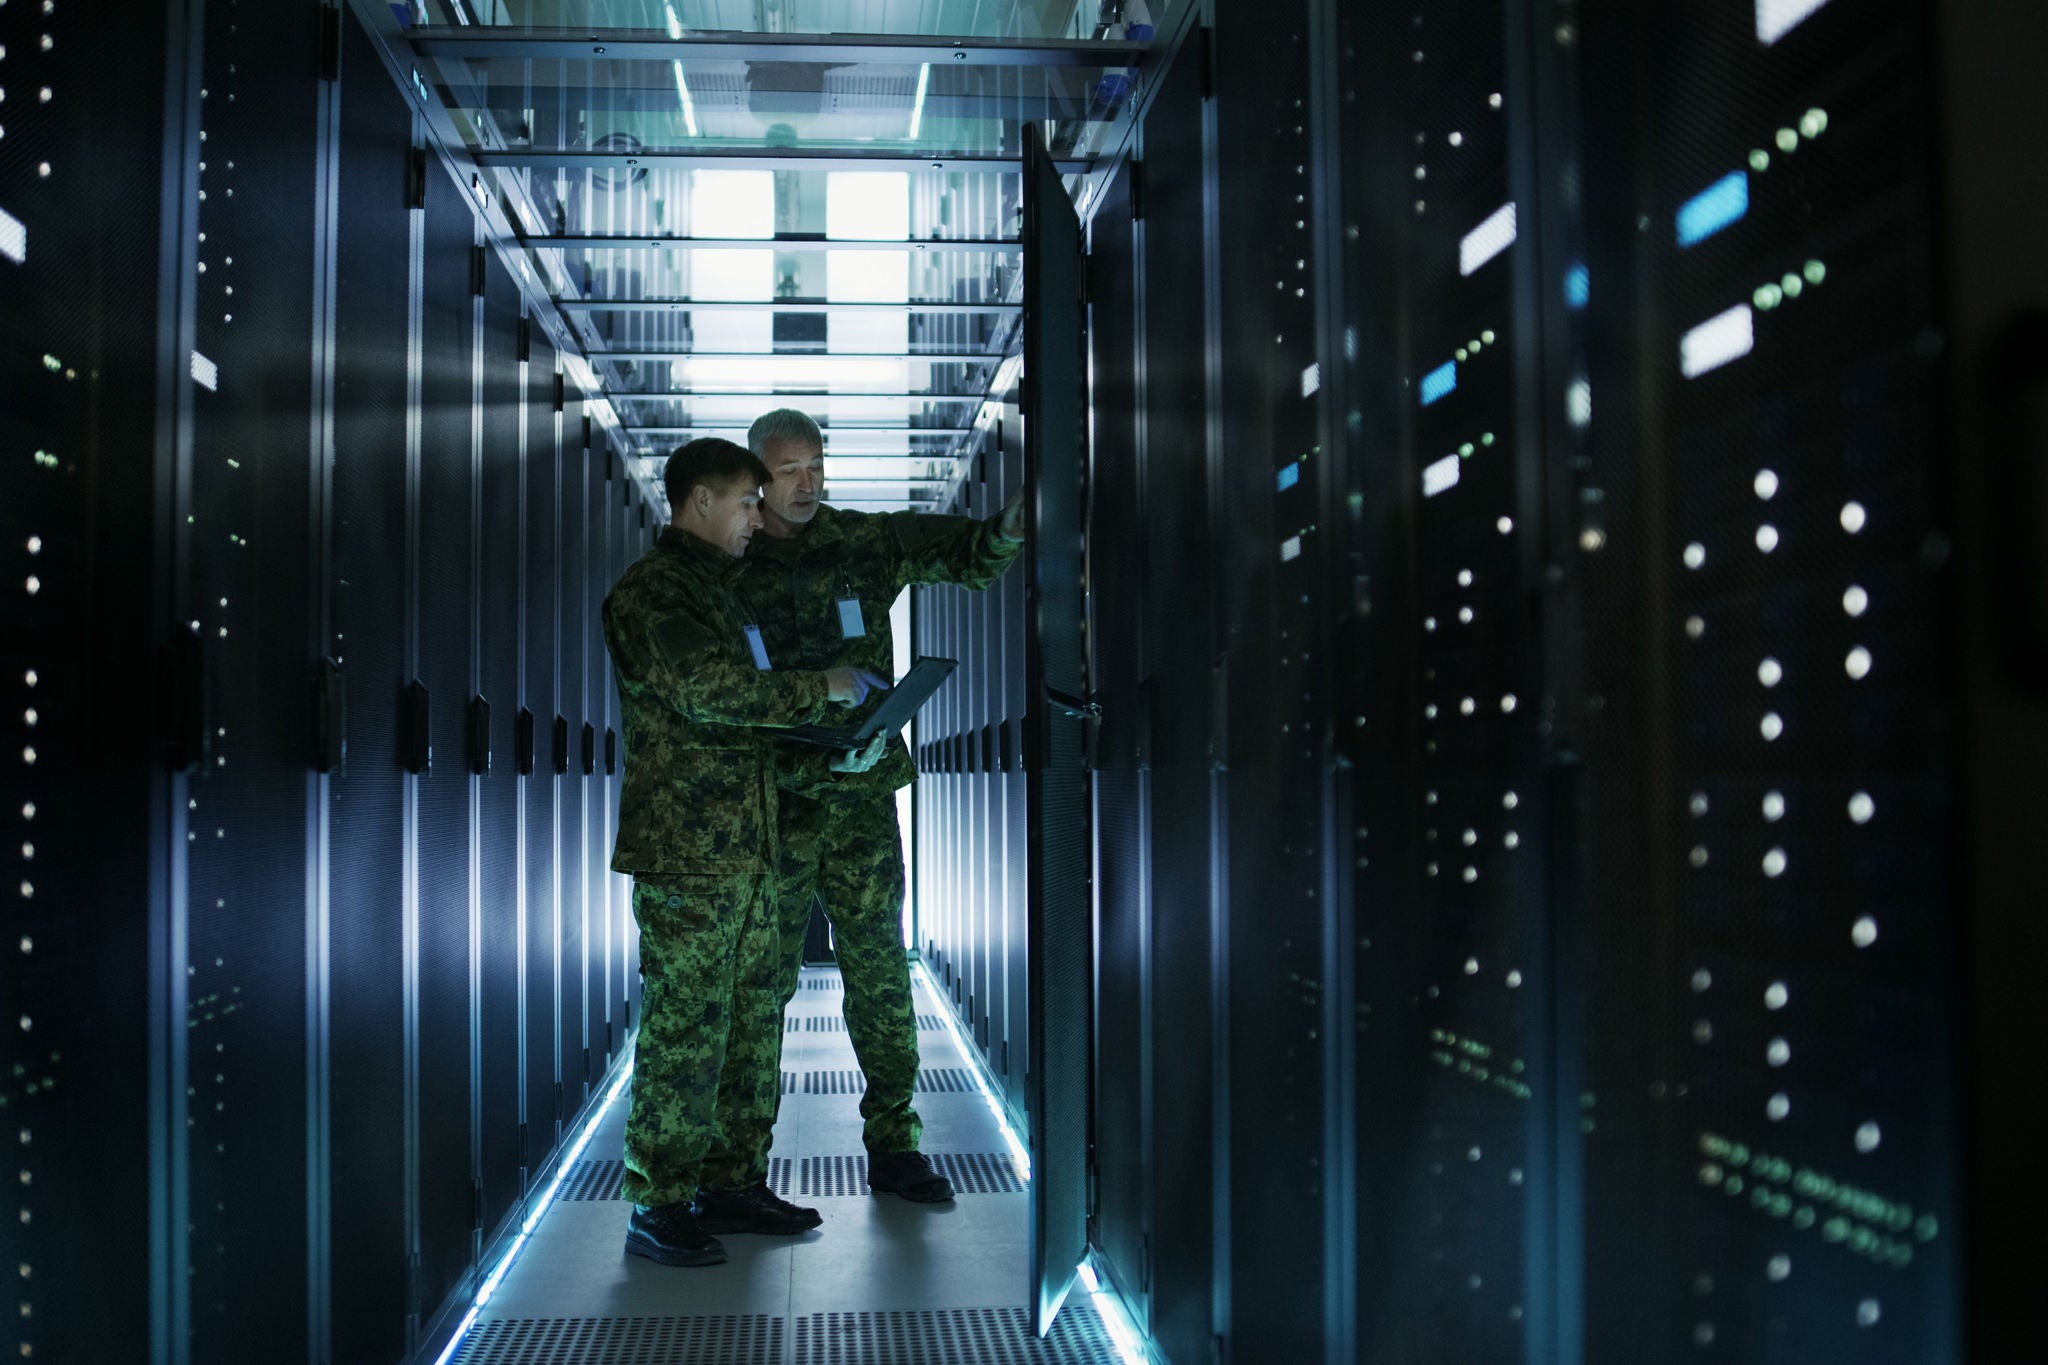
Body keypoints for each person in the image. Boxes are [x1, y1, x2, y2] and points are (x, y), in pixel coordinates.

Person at [710, 407, 1025, 1205]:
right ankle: (739, 1170)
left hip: (858, 801)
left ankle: (895, 1144)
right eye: (789, 471)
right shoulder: (727, 563)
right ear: (756, 477)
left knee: (881, 973)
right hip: (773, 804)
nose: (808, 483)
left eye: (816, 464)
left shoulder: (863, 541)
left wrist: (1019, 523)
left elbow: (968, 554)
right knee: (760, 985)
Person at [602, 437, 891, 1267]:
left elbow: (752, 715)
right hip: (690, 856)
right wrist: (823, 685)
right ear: (699, 501)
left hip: (752, 846)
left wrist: (840, 738)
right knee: (686, 1027)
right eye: (743, 504)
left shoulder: (724, 596)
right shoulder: (654, 594)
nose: (757, 521)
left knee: (753, 1018)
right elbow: (710, 693)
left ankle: (729, 1179)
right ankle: (657, 1200)